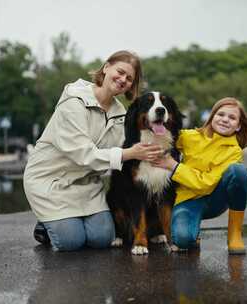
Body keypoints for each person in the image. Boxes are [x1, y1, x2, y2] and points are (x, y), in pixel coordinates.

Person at [23, 50, 163, 252]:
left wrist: (164, 146)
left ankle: (69, 220)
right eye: (120, 72)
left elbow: (131, 144)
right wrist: (130, 153)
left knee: (102, 239)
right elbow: (84, 154)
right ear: (106, 67)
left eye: (130, 78)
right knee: (71, 242)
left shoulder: (121, 114)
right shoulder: (74, 101)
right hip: (51, 181)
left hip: (87, 185)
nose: (123, 80)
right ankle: (46, 223)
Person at [152, 97, 247, 254]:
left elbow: (206, 184)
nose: (225, 120)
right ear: (212, 116)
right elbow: (165, 136)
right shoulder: (189, 137)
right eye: (220, 114)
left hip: (215, 200)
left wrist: (174, 166)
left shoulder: (233, 151)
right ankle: (192, 233)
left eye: (232, 117)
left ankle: (234, 234)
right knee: (183, 240)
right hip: (188, 200)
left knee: (238, 172)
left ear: (238, 126)